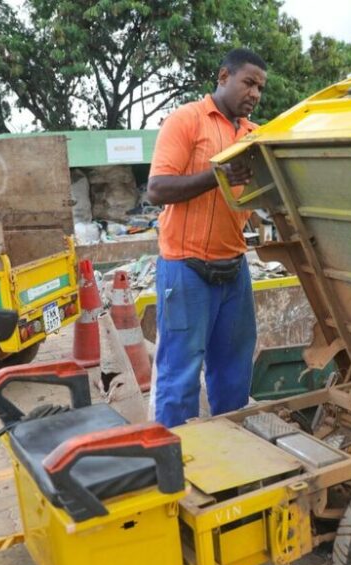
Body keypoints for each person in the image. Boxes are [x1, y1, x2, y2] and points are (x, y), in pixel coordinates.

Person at [146, 48, 267, 427]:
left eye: (260, 88)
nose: (255, 94)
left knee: (233, 374)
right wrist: (218, 176)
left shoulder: (255, 137)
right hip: (186, 269)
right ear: (223, 77)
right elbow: (158, 189)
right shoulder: (186, 120)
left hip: (234, 269)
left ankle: (229, 456)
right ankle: (176, 465)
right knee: (180, 374)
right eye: (248, 83)